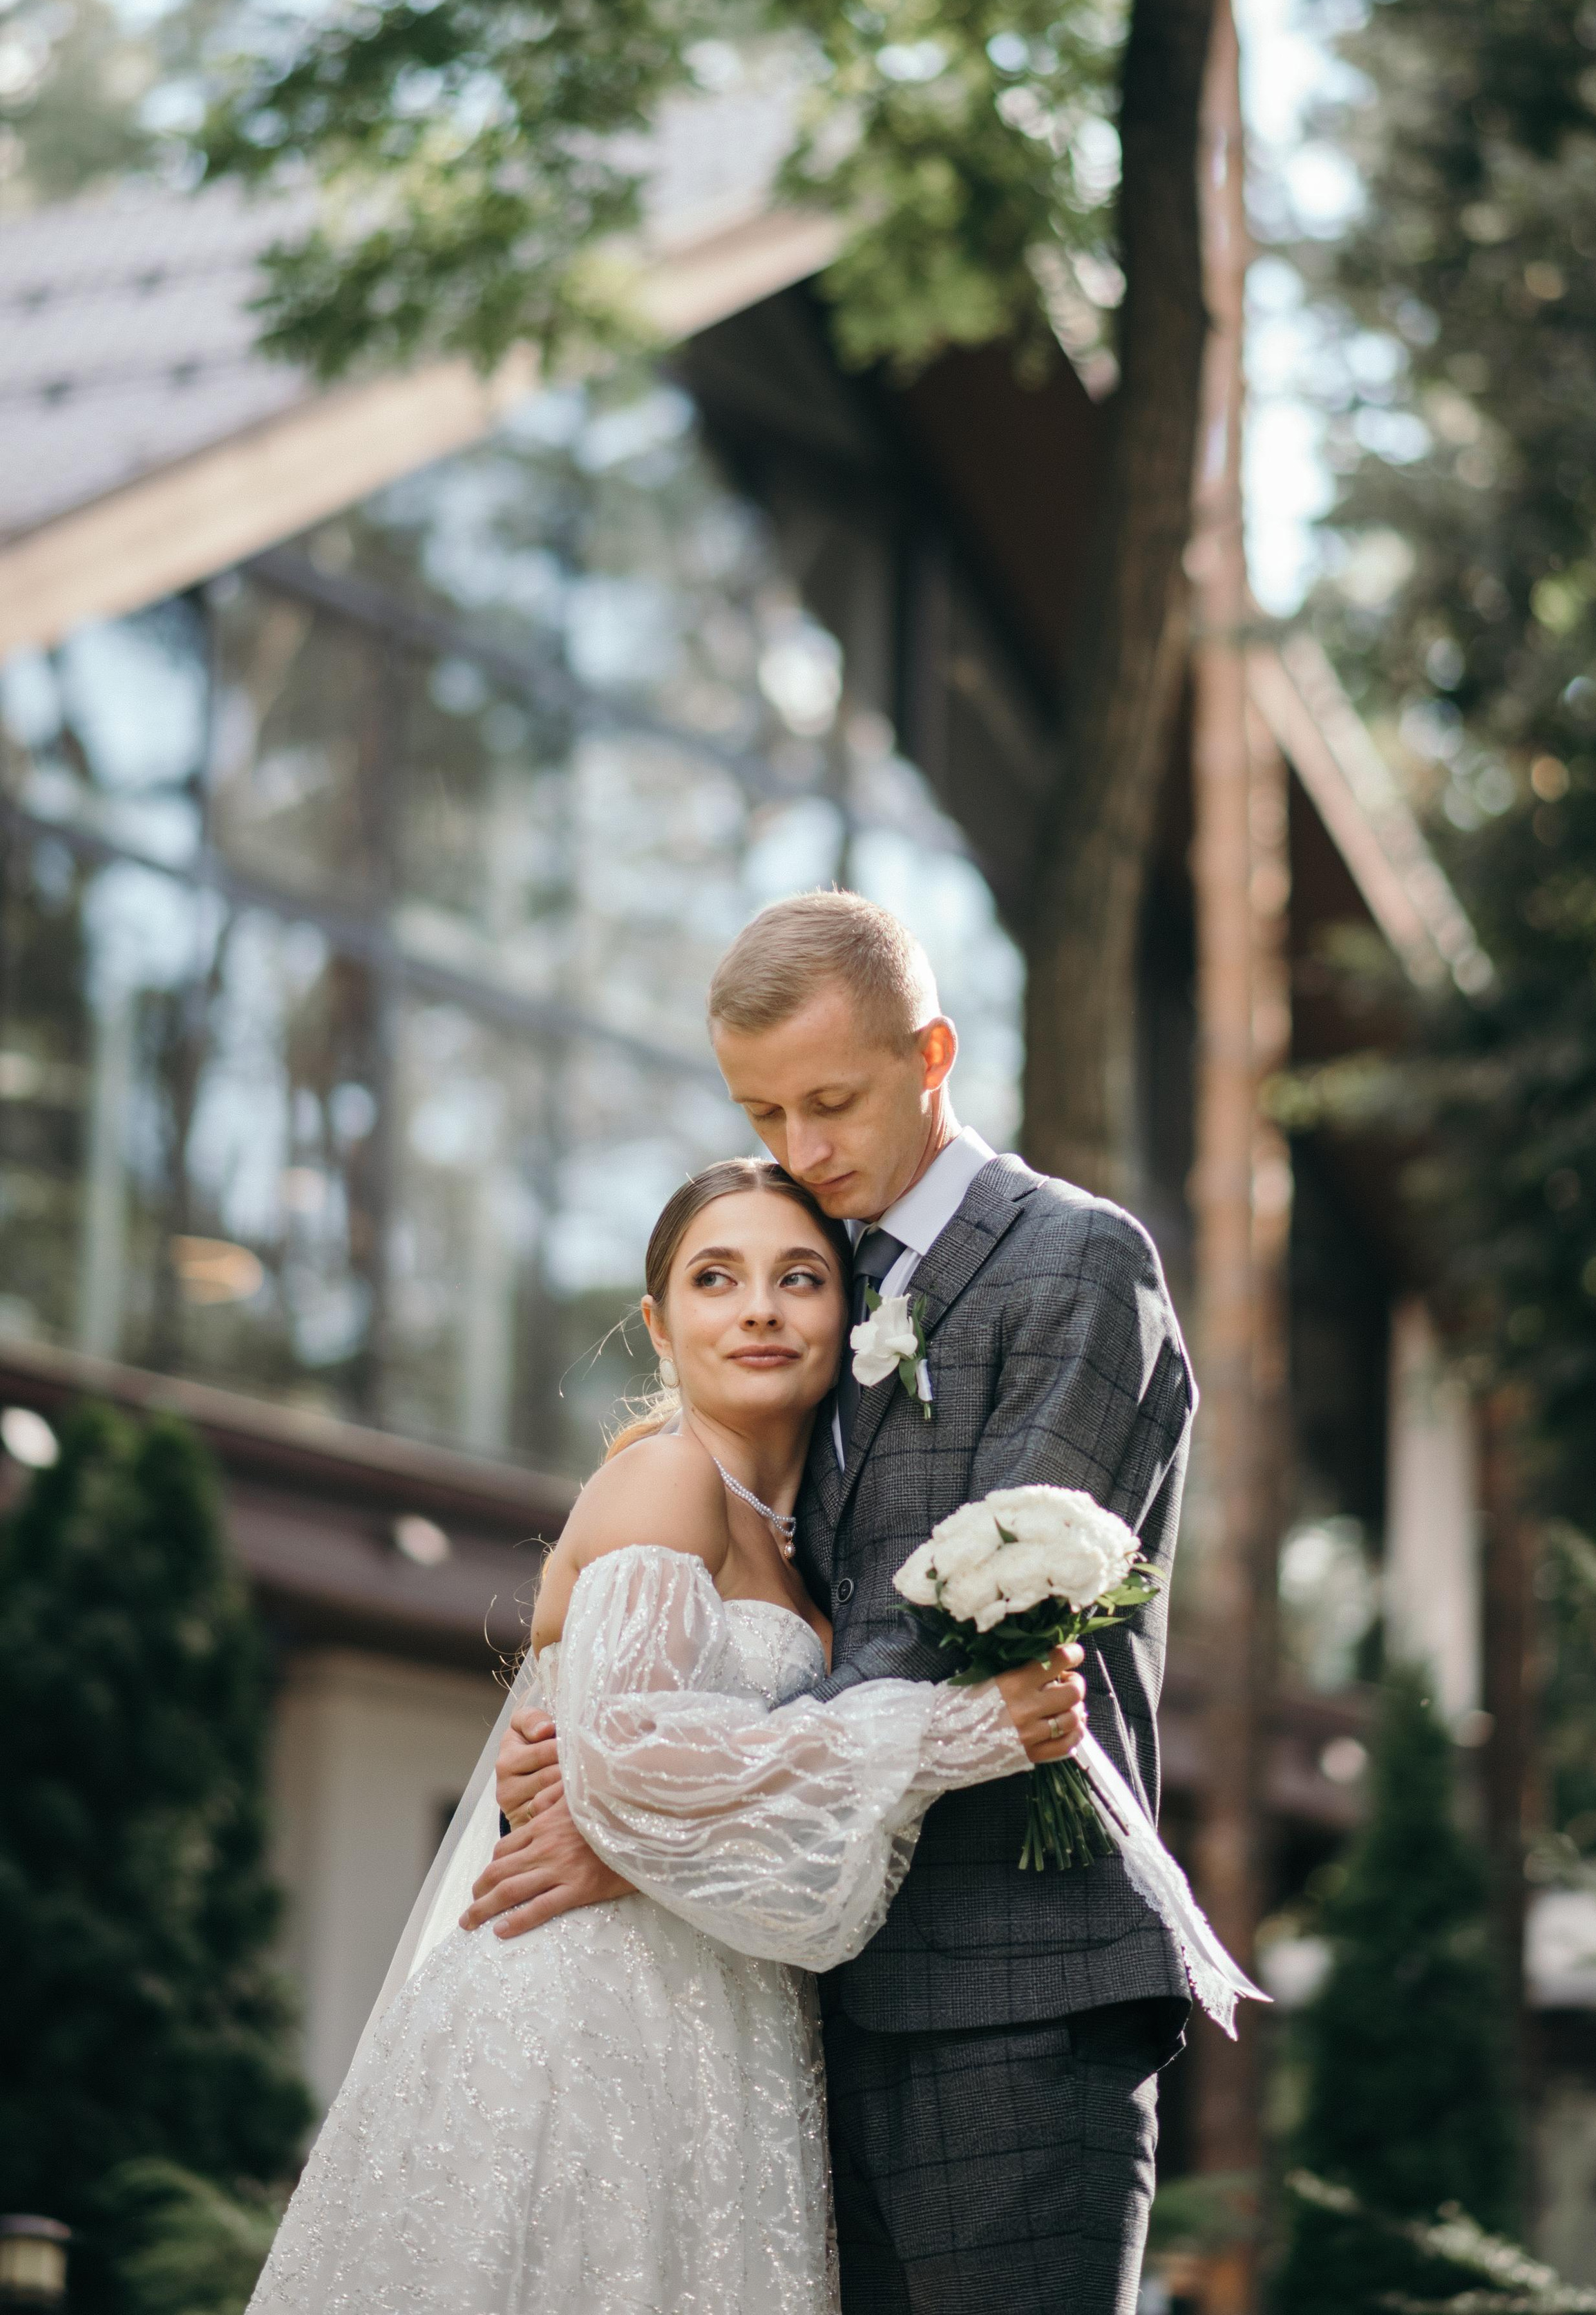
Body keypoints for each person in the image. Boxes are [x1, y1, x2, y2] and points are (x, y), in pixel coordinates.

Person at [480, 893, 1256, 2315]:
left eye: (830, 1102)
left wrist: (657, 1805)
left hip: (1015, 1994)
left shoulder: (1076, 1264)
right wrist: (592, 1736)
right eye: (762, 1114)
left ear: (932, 1055)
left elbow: (968, 1619)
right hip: (797, 1999)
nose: (800, 1152)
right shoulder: (814, 1287)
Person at [248, 1156, 1081, 2315]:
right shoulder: (667, 1478)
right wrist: (961, 1730)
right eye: (715, 1278)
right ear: (659, 1319)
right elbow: (630, 1757)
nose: (758, 1307)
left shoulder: (804, 1559)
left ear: (848, 1312)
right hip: (588, 2015)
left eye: (799, 1277)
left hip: (728, 2023)